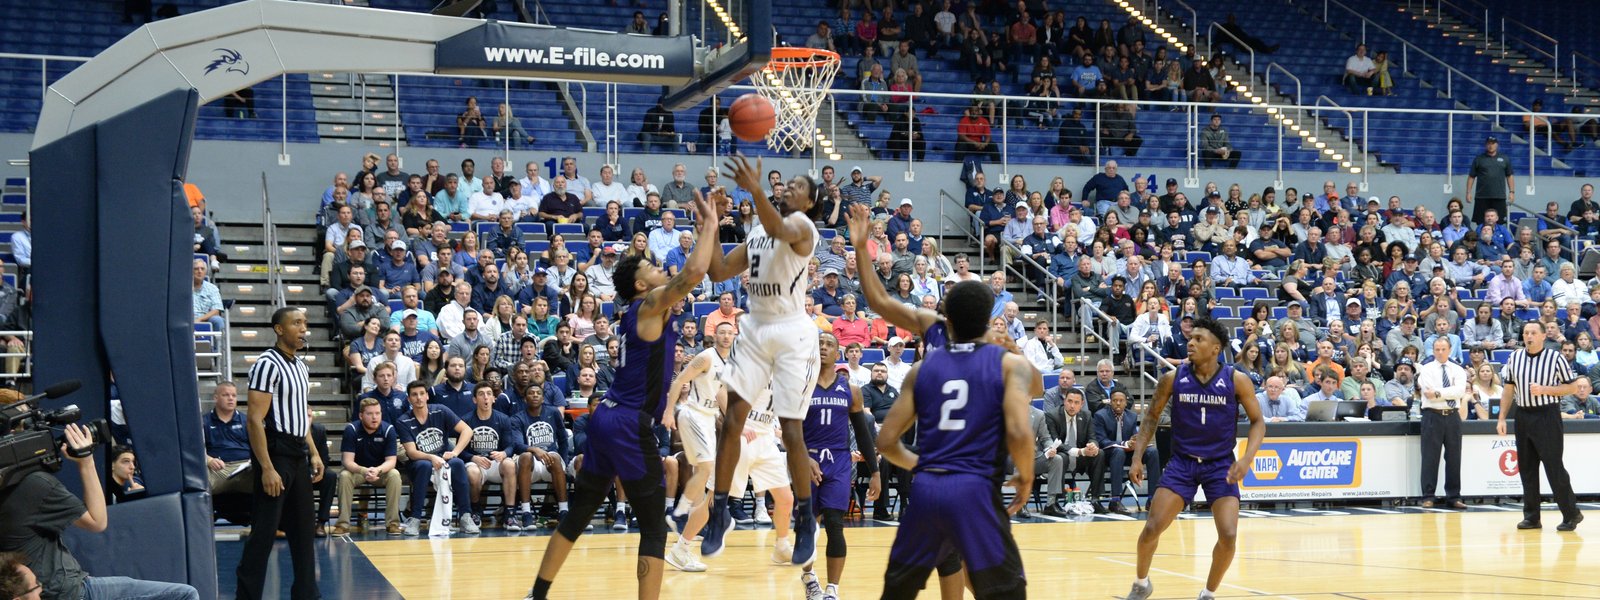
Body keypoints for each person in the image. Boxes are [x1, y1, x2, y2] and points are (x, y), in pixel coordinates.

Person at [523, 191, 718, 600]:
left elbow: (701, 270)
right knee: (652, 526)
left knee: (579, 514)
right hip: (628, 421)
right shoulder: (649, 303)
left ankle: (537, 594)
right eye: (651, 265)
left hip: (608, 416)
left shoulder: (643, 310)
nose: (661, 267)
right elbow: (696, 271)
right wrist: (711, 223)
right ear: (642, 283)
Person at [699, 155, 827, 565]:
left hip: (792, 333)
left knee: (791, 430)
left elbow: (778, 226)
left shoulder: (803, 228)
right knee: (732, 421)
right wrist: (715, 221)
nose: (790, 186)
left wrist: (754, 189)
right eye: (786, 183)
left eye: (799, 186)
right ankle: (719, 511)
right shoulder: (756, 231)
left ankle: (805, 519)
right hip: (755, 327)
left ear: (809, 203)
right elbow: (718, 271)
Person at [874, 280, 1032, 600]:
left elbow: (887, 441)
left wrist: (922, 465)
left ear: (947, 321)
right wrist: (1026, 477)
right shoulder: (1007, 364)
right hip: (976, 490)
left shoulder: (922, 367)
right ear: (990, 320)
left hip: (927, 490)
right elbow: (1018, 431)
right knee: (1008, 592)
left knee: (897, 592)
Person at [1124, 316, 1265, 600]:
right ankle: (1141, 584)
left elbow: (1258, 422)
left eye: (1199, 339)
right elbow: (1151, 417)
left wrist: (1246, 459)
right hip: (1183, 462)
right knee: (1151, 527)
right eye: (1190, 338)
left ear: (1215, 349)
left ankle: (1208, 594)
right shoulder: (1172, 377)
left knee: (1228, 535)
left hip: (1220, 464)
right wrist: (1137, 457)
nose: (1190, 342)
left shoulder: (1236, 379)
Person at [0, 422, 202, 600]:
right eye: (23, 427)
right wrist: (86, 461)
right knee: (185, 594)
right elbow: (98, 521)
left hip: (40, 587)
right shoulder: (33, 485)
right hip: (65, 591)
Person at [236, 308, 323, 600]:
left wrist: (313, 452)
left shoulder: (300, 366)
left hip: (298, 453)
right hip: (275, 455)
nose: (303, 328)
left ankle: (307, 594)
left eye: (305, 323)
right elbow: (254, 420)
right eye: (296, 323)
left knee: (304, 533)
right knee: (263, 533)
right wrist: (267, 468)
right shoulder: (266, 364)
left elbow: (300, 415)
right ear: (278, 329)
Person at [797, 332, 882, 600]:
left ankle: (832, 589)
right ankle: (809, 576)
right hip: (806, 458)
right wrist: (803, 456)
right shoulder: (799, 385)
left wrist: (876, 472)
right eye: (818, 344)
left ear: (838, 354)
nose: (823, 348)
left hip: (838, 461)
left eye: (829, 345)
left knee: (835, 523)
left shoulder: (851, 390)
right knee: (807, 525)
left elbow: (863, 432)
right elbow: (790, 429)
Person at [659, 321, 735, 572]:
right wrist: (669, 411)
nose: (726, 336)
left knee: (711, 491)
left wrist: (736, 424)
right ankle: (678, 514)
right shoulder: (705, 357)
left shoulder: (732, 362)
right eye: (721, 332)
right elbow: (678, 379)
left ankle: (681, 548)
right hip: (693, 415)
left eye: (730, 333)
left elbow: (722, 396)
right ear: (714, 336)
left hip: (709, 419)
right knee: (705, 469)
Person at [1495, 321, 1585, 531]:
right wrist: (1501, 418)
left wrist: (1545, 389)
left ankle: (1571, 514)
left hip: (1547, 416)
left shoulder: (1555, 358)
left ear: (1543, 336)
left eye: (1534, 333)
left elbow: (1572, 387)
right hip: (1523, 416)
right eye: (1526, 332)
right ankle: (1532, 516)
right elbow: (1508, 390)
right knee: (1526, 468)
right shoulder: (1514, 357)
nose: (1529, 336)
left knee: (1553, 467)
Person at [395, 379, 473, 535]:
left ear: (427, 396)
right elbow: (411, 452)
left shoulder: (440, 410)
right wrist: (431, 458)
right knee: (423, 466)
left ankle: (466, 516)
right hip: (419, 462)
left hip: (443, 459)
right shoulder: (403, 420)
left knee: (457, 463)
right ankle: (415, 518)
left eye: (422, 394)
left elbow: (467, 431)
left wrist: (455, 452)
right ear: (409, 399)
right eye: (414, 395)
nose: (419, 398)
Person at [334, 398, 403, 535]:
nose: (374, 417)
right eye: (370, 414)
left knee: (394, 474)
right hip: (358, 471)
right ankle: (342, 525)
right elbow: (348, 462)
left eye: (377, 413)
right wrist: (363, 470)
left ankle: (393, 523)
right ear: (361, 416)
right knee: (344, 476)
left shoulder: (388, 429)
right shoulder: (351, 430)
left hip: (380, 471)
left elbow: (391, 461)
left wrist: (377, 470)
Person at [1416, 337, 1469, 509]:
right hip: (1432, 415)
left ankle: (1454, 496)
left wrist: (1439, 393)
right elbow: (1428, 392)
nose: (1440, 352)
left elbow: (1460, 391)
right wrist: (1448, 392)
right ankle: (1428, 496)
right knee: (1430, 457)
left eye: (1443, 349)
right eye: (1437, 349)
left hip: (1453, 415)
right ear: (1433, 350)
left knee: (1454, 457)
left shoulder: (1458, 369)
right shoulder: (1426, 369)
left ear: (1450, 349)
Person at [1466, 136, 1515, 227]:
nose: (1491, 146)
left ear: (1497, 145)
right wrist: (1468, 192)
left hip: (1499, 196)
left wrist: (1511, 192)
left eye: (1493, 143)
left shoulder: (1504, 158)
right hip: (1482, 196)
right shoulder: (1479, 159)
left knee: (1500, 222)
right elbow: (1471, 176)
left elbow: (1509, 176)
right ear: (1485, 145)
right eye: (1488, 143)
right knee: (1480, 222)